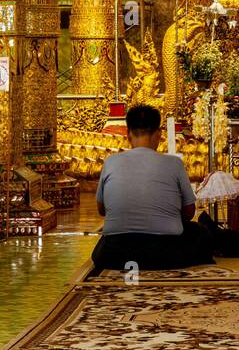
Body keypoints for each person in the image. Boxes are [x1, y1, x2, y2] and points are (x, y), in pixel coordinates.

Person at [91, 104, 214, 271]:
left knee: (102, 245)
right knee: (200, 233)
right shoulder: (174, 163)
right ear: (158, 134)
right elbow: (189, 212)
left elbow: (102, 209)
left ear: (128, 134)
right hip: (165, 251)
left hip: (116, 252)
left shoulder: (111, 162)